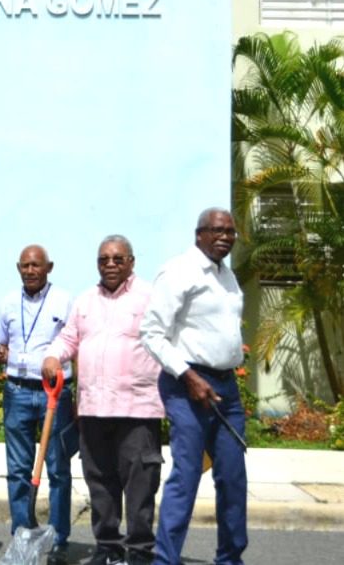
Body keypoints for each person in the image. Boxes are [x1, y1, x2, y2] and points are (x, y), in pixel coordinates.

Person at [42, 236, 163, 565]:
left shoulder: (150, 297)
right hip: (93, 408)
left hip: (137, 409)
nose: (110, 264)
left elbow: (170, 340)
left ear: (131, 262)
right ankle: (108, 547)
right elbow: (68, 338)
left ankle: (140, 551)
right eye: (103, 259)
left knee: (140, 485)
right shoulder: (85, 300)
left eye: (117, 259)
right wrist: (53, 356)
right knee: (100, 483)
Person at [140, 209, 248, 565]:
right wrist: (188, 376)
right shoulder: (178, 272)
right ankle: (165, 560)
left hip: (225, 388)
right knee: (186, 476)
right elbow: (151, 334)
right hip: (185, 385)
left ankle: (230, 558)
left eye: (230, 231)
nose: (225, 237)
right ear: (199, 234)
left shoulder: (227, 275)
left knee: (233, 478)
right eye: (217, 230)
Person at [0, 244, 76, 565]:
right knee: (18, 470)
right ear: (18, 268)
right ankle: (22, 534)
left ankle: (58, 539)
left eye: (36, 265)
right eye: (25, 266)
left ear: (49, 267)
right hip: (17, 390)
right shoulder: (7, 303)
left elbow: (75, 345)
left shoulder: (64, 301)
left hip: (54, 393)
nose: (30, 271)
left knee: (58, 469)